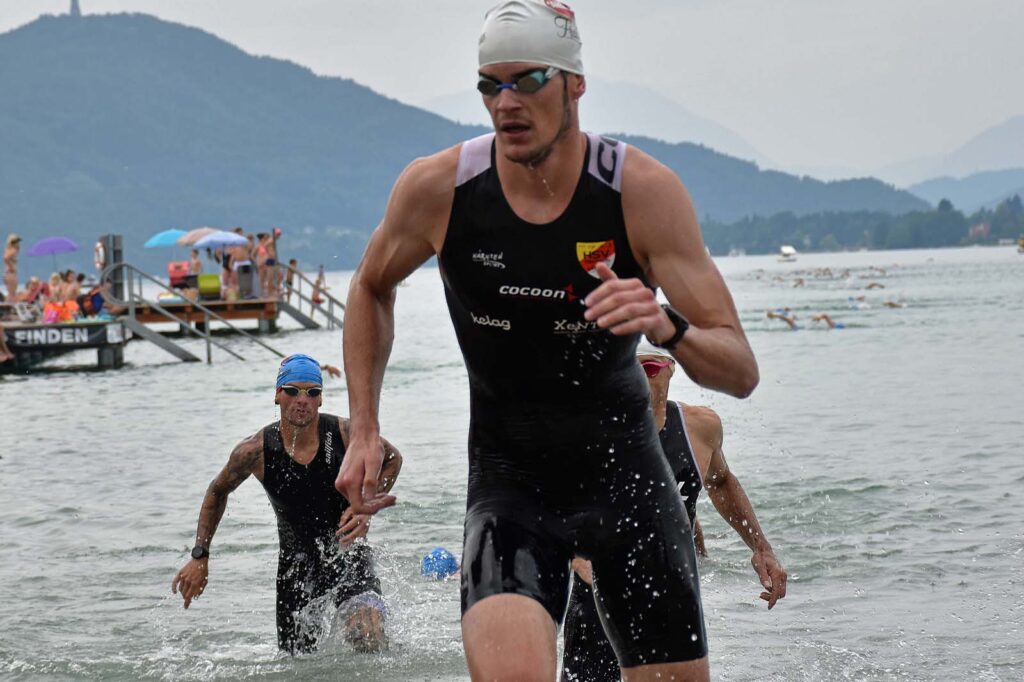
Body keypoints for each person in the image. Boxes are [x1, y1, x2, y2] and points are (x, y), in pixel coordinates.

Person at [337, 2, 759, 679]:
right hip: (510, 487)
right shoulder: (440, 190)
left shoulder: (640, 194)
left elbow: (740, 370)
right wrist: (364, 427)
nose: (506, 102)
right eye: (491, 84)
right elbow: (369, 285)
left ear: (575, 84)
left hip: (627, 485)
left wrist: (666, 325)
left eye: (529, 80)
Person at [561, 344, 787, 681]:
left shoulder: (699, 427)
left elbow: (721, 482)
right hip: (596, 590)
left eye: (650, 369)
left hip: (671, 586)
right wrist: (579, 559)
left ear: (671, 369)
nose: (640, 378)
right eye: (629, 367)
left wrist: (761, 547)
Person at [171, 355, 403, 654]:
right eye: (292, 391)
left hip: (348, 555)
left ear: (321, 399)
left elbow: (392, 458)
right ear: (277, 395)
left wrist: (365, 507)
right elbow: (217, 492)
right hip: (296, 568)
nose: (302, 400)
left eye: (312, 392)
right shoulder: (255, 451)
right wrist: (200, 555)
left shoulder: (345, 434)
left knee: (368, 633)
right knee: (297, 664)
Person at [4, 234, 21, 301]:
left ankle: (7, 305)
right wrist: (12, 267)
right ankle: (8, 305)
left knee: (11, 293)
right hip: (11, 273)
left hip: (8, 273)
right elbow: (6, 258)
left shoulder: (8, 250)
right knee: (12, 293)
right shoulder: (13, 250)